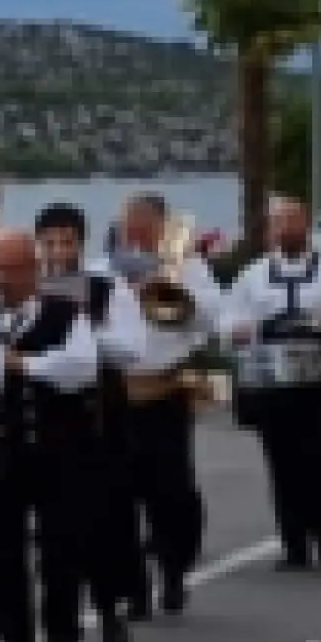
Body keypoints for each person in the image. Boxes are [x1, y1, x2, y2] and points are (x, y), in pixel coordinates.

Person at [0, 230, 117, 642]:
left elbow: (81, 367)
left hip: (57, 453)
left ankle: (62, 635)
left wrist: (24, 364)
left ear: (33, 270)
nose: (1, 279)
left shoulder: (65, 314)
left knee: (60, 548)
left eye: (10, 269)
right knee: (0, 557)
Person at [223, 198, 321, 570]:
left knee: (320, 454)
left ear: (306, 225)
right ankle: (294, 544)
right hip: (273, 376)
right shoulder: (253, 275)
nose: (286, 229)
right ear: (270, 230)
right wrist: (239, 331)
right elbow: (229, 319)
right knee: (281, 459)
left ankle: (320, 529)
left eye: (293, 221)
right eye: (278, 223)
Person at [100, 194, 222, 613]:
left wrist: (174, 292)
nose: (135, 232)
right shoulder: (108, 266)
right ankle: (133, 588)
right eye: (128, 224)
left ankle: (173, 573)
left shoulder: (186, 263)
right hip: (118, 393)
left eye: (143, 224)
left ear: (161, 225)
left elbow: (211, 317)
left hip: (165, 390)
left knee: (171, 492)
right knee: (118, 496)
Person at [36, 202, 145, 624]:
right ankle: (62, 624)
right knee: (57, 528)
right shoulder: (32, 290)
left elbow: (132, 349)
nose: (58, 252)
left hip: (101, 412)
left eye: (66, 242)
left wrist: (87, 331)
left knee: (109, 515)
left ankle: (116, 600)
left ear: (81, 244)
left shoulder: (106, 287)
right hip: (49, 415)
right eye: (49, 243)